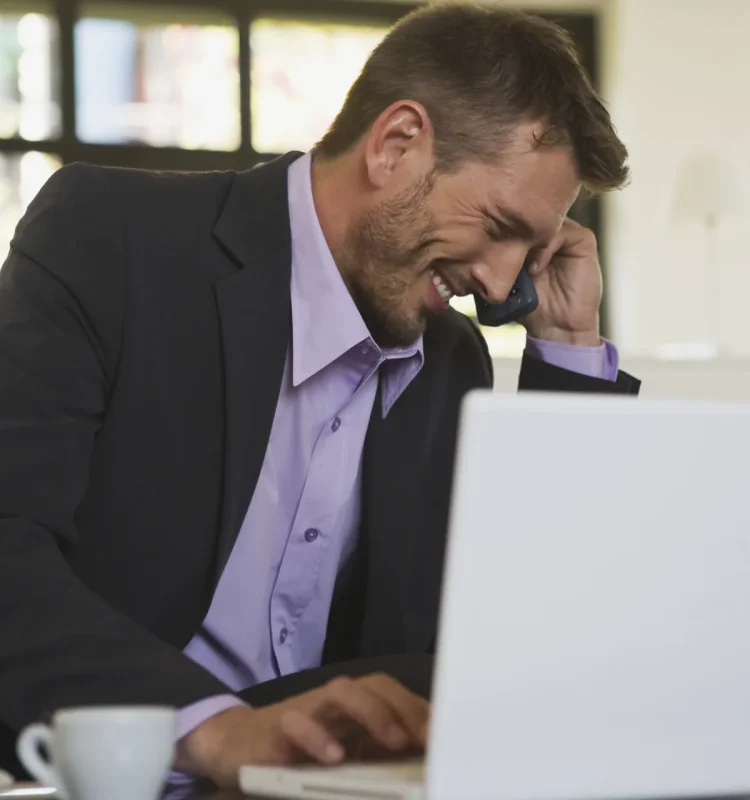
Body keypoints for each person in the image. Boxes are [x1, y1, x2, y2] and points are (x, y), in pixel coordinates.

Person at [0, 3, 640, 788]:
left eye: (531, 249)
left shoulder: (451, 360)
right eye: (500, 225)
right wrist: (219, 730)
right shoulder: (111, 239)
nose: (501, 286)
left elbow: (535, 639)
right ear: (396, 144)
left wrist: (568, 347)